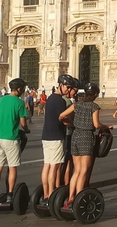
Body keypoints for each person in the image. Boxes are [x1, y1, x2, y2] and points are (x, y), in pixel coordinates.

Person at [58, 82, 109, 209]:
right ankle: (79, 198)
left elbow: (61, 116)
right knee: (84, 171)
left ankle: (70, 198)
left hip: (76, 136)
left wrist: (72, 123)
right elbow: (96, 125)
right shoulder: (94, 107)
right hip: (86, 137)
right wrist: (107, 126)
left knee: (77, 171)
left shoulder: (77, 104)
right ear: (96, 94)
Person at [0, 78, 30, 204]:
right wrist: (27, 129)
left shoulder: (0, 101)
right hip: (11, 138)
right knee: (12, 167)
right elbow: (23, 123)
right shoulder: (19, 103)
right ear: (19, 89)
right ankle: (10, 194)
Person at [41, 75, 78, 205]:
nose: (68, 90)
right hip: (56, 136)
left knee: (47, 165)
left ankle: (46, 195)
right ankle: (51, 195)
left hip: (46, 135)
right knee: (54, 167)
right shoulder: (60, 101)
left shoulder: (50, 99)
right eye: (67, 87)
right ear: (60, 85)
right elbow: (62, 118)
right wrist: (73, 124)